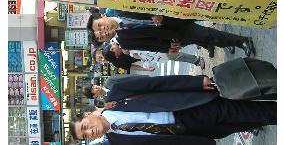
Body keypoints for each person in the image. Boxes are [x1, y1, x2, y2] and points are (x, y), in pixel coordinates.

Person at [70, 75, 276, 145]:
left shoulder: (117, 94)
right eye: (86, 136)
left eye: (86, 127)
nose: (90, 132)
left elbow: (157, 84)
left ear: (88, 115)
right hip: (193, 134)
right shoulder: (118, 141)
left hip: (191, 108)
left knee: (252, 112)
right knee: (248, 121)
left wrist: (195, 82)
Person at [87, 9, 255, 58]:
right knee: (204, 35)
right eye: (102, 36)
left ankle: (244, 14)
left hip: (174, 12)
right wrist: (166, 48)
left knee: (211, 12)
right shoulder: (124, 41)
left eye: (101, 26)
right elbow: (148, 45)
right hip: (170, 32)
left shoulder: (120, 7)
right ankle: (241, 41)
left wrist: (153, 12)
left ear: (103, 17)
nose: (105, 31)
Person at [104, 43, 206, 70]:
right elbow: (139, 57)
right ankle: (196, 60)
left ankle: (198, 43)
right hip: (155, 53)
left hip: (155, 44)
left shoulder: (122, 40)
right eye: (114, 53)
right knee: (175, 55)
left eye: (113, 49)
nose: (116, 51)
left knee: (178, 44)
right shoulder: (126, 52)